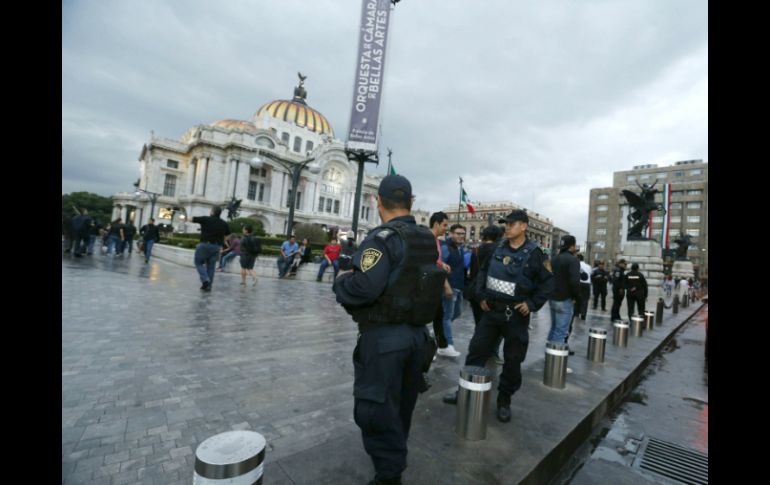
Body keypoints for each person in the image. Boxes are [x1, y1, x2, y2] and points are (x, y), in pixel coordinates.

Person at [333, 175, 443, 485]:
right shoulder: (424, 237)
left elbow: (365, 287)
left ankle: (389, 474)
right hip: (417, 339)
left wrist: (342, 281)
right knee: (401, 404)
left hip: (384, 340)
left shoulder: (382, 239)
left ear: (377, 202)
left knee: (375, 409)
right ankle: (395, 455)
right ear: (411, 202)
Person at [443, 209, 554, 423]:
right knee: (476, 351)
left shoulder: (536, 253)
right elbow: (483, 273)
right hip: (491, 312)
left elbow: (548, 283)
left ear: (523, 226)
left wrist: (532, 304)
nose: (507, 227)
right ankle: (465, 391)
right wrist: (481, 295)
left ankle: (504, 400)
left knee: (512, 360)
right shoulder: (497, 249)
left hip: (515, 317)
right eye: (506, 224)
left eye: (512, 224)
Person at [466, 224, 504, 363]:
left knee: (479, 324)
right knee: (495, 326)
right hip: (489, 292)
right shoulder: (498, 250)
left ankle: (477, 350)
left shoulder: (476, 250)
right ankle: (492, 353)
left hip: (475, 291)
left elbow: (472, 270)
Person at [437, 224, 467, 358]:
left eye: (462, 233)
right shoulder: (446, 247)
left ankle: (440, 331)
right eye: (458, 233)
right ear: (451, 234)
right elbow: (440, 268)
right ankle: (447, 345)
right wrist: (446, 286)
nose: (461, 236)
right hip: (450, 287)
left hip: (458, 287)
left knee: (457, 312)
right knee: (447, 316)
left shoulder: (459, 248)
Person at [548, 235, 580, 356]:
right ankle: (555, 359)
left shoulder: (554, 259)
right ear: (572, 246)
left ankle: (549, 353)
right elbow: (574, 281)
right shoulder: (573, 260)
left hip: (553, 297)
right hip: (565, 298)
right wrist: (575, 296)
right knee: (561, 331)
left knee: (554, 328)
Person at [428, 212, 453, 356]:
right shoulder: (428, 239)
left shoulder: (436, 240)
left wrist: (441, 263)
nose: (446, 228)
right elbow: (428, 260)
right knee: (435, 315)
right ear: (436, 224)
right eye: (444, 225)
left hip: (433, 283)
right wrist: (446, 285)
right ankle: (436, 346)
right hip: (428, 284)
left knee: (438, 314)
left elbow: (433, 259)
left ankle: (440, 345)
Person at [192, 206, 231, 291]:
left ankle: (205, 279)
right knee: (211, 266)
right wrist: (222, 241)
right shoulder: (224, 223)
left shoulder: (206, 219)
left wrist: (184, 217)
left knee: (198, 262)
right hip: (216, 247)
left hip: (205, 245)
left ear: (212, 212)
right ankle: (208, 286)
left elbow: (192, 219)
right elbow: (228, 235)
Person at [574, 254, 592, 320]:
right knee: (585, 300)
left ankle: (576, 313)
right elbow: (590, 274)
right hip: (587, 284)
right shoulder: (588, 266)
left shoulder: (577, 265)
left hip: (579, 283)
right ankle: (583, 315)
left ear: (578, 259)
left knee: (577, 298)